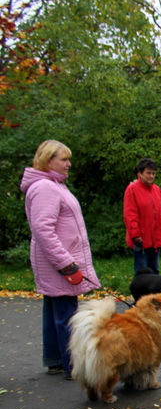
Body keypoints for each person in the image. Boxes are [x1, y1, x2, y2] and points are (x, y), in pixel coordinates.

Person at [21, 140, 101, 379]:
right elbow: (43, 230)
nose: (69, 164)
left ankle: (55, 359)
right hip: (59, 263)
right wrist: (66, 263)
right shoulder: (46, 188)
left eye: (68, 159)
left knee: (54, 308)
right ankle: (73, 365)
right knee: (66, 313)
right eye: (64, 159)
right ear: (48, 160)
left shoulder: (54, 185)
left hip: (56, 261)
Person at [123, 157, 161, 275]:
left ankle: (155, 293)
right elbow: (130, 214)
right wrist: (135, 235)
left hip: (155, 240)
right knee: (142, 274)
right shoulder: (132, 190)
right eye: (148, 173)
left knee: (155, 272)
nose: (151, 176)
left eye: (153, 173)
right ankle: (142, 294)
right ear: (140, 173)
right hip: (141, 241)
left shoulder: (157, 190)